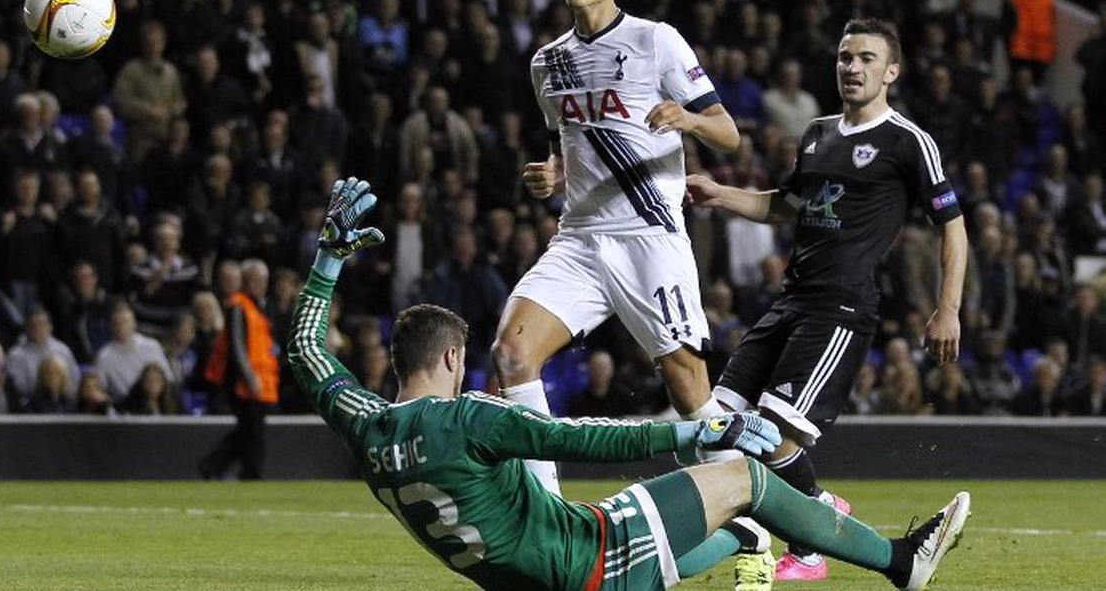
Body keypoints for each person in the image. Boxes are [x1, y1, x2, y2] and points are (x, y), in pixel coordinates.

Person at [286, 177, 970, 591]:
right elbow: (580, 437)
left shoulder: (366, 427)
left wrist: (325, 262)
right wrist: (698, 428)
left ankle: (748, 541)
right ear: (453, 357)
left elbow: (306, 350)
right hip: (589, 561)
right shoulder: (468, 419)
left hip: (545, 576)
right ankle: (897, 562)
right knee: (746, 481)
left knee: (700, 524)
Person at [687, 18, 969, 581]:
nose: (852, 67)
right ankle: (819, 507)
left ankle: (811, 545)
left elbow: (953, 225)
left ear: (891, 71)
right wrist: (722, 195)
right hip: (789, 302)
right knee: (715, 426)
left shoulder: (907, 141)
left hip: (839, 310)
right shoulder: (817, 133)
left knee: (771, 436)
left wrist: (949, 308)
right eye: (845, 57)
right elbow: (786, 205)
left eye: (866, 58)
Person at [494, 0, 740, 499]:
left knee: (689, 391)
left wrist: (686, 118)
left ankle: (752, 522)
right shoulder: (546, 62)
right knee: (511, 354)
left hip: (649, 236)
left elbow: (727, 131)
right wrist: (552, 175)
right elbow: (568, 147)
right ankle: (546, 519)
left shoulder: (656, 41)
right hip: (578, 239)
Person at [199, 259, 279, 480]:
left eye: (264, 280)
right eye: (257, 280)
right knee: (253, 432)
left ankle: (213, 466)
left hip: (261, 380)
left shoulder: (257, 306)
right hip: (246, 381)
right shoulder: (240, 306)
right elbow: (237, 345)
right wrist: (249, 376)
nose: (262, 284)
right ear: (246, 281)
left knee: (247, 431)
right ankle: (251, 474)